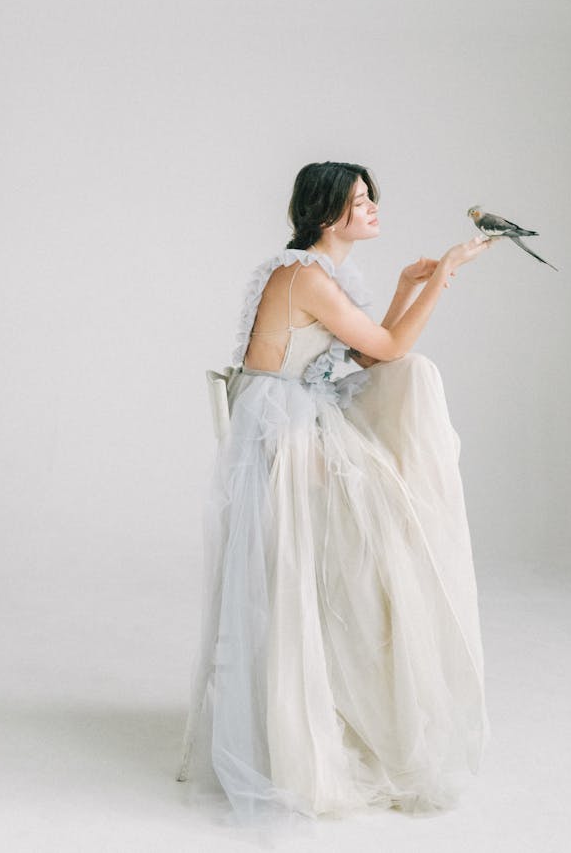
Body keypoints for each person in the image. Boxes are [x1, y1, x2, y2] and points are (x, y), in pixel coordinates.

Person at [181, 161, 495, 826]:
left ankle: (351, 701)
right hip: (284, 439)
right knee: (392, 536)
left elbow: (368, 353)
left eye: (373, 196)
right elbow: (384, 347)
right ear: (328, 215)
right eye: (360, 200)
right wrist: (442, 278)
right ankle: (346, 708)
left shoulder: (311, 276)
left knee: (392, 520)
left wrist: (410, 289)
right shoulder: (306, 278)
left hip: (294, 423)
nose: (374, 207)